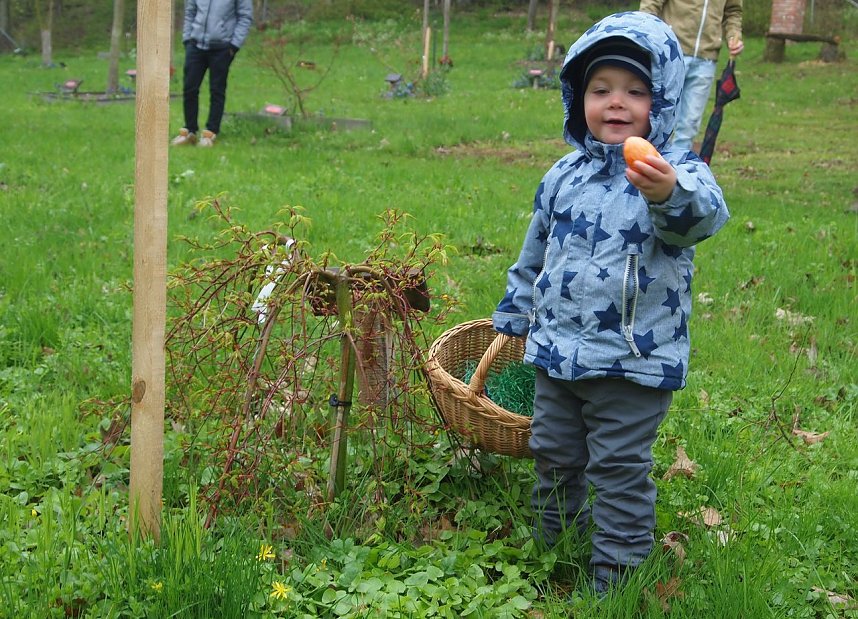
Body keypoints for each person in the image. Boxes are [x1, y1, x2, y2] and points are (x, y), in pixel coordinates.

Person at [492, 11, 729, 595]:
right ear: (579, 99)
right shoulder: (561, 176)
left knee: (619, 470)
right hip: (557, 358)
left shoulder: (676, 172)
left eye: (635, 91)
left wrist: (666, 192)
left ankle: (614, 576)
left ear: (663, 101)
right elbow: (535, 251)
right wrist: (515, 315)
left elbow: (700, 219)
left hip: (631, 362)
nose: (616, 103)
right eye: (601, 90)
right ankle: (556, 549)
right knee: (552, 455)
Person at [640, 0, 744, 151]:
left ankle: (676, 169)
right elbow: (651, 4)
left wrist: (734, 35)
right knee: (658, 117)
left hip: (706, 59)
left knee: (690, 124)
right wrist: (646, 33)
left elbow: (733, 11)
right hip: (671, 52)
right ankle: (644, 163)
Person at [171, 0, 254, 147]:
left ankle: (210, 132)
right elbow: (190, 12)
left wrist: (234, 46)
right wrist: (187, 39)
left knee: (217, 90)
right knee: (189, 88)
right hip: (195, 46)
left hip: (222, 48)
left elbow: (245, 17)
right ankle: (190, 131)